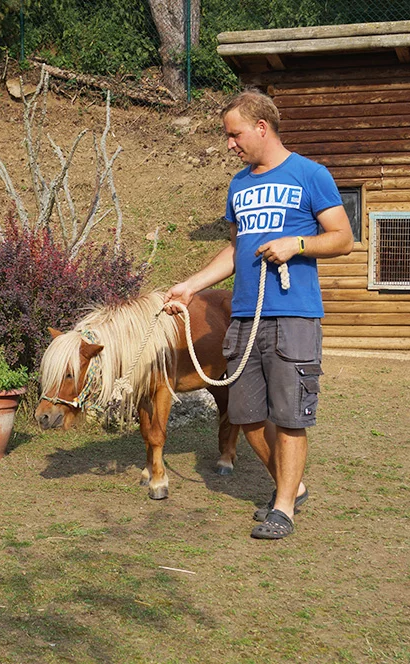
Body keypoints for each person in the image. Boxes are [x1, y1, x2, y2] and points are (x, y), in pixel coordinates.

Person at [164, 89, 353, 540]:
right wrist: (190, 286)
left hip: (293, 315)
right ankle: (293, 486)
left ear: (261, 128)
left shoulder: (310, 174)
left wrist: (298, 244)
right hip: (246, 318)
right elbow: (235, 248)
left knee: (289, 417)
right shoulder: (239, 185)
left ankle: (283, 507)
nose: (230, 144)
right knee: (248, 417)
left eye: (235, 135)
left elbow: (343, 238)